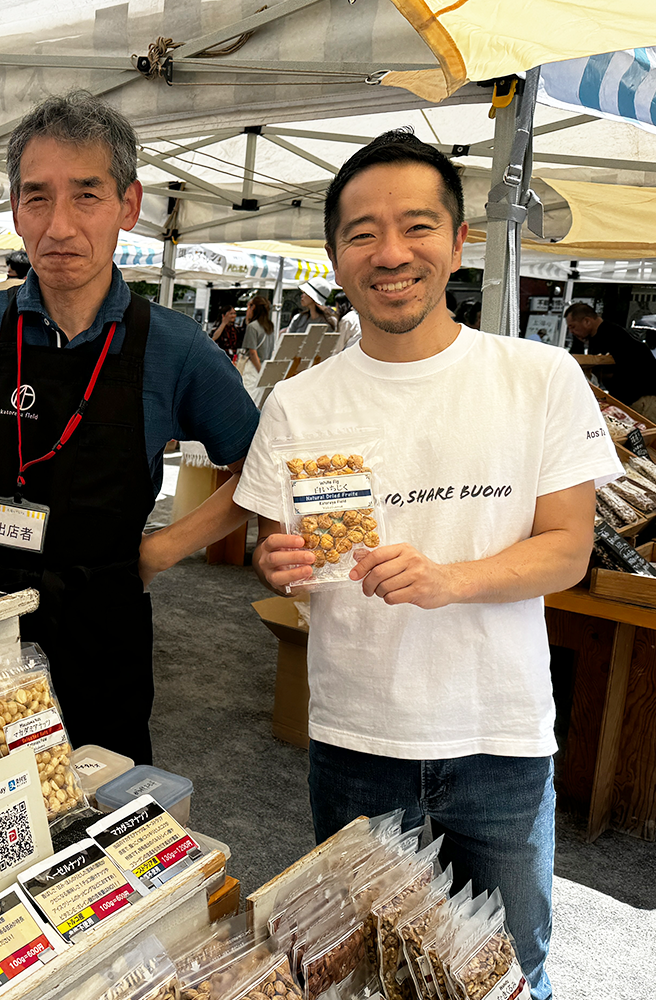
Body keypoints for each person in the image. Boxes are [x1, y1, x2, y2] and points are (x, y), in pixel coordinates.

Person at [232, 128, 622, 1000]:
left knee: (510, 975)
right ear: (334, 254)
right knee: (360, 977)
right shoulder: (298, 403)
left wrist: (450, 582)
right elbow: (270, 547)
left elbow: (568, 548)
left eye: (416, 226)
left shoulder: (538, 376)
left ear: (458, 242)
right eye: (362, 232)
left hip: (500, 738)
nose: (390, 252)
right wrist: (276, 561)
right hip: (357, 736)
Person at [0, 91, 260, 765]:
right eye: (37, 197)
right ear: (15, 210)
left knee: (101, 817)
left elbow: (263, 466)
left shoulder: (175, 347)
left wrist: (161, 551)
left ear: (129, 206)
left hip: (103, 630)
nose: (60, 226)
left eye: (87, 196)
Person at [564, 301, 656, 420]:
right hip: (627, 400)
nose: (571, 332)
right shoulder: (595, 338)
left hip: (642, 398)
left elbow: (625, 369)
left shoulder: (614, 335)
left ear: (587, 321)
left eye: (573, 327)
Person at [238, 295, 273, 394]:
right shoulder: (270, 326)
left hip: (254, 367)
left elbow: (252, 352)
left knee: (249, 396)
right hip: (265, 365)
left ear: (253, 307)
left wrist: (259, 371)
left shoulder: (252, 327)